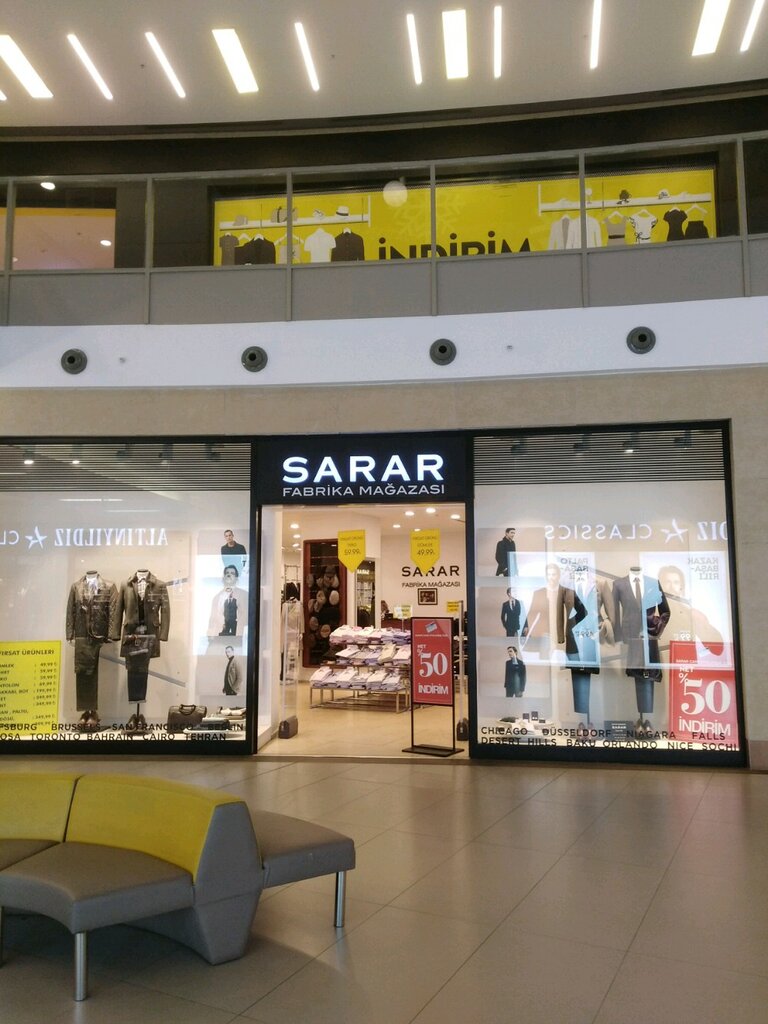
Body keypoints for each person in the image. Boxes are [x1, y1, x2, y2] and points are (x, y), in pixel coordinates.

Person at [658, 564, 724, 656]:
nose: (672, 587)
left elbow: (717, 649)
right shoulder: (650, 613)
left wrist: (701, 622)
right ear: (660, 585)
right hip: (658, 663)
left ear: (681, 587)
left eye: (676, 582)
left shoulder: (691, 614)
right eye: (667, 582)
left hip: (685, 662)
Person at [208, 565, 249, 636]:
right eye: (227, 573)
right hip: (220, 635)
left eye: (232, 573)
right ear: (224, 577)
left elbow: (247, 618)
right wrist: (210, 634)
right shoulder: (217, 597)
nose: (229, 575)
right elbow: (213, 618)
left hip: (239, 635)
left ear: (236, 578)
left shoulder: (245, 595)